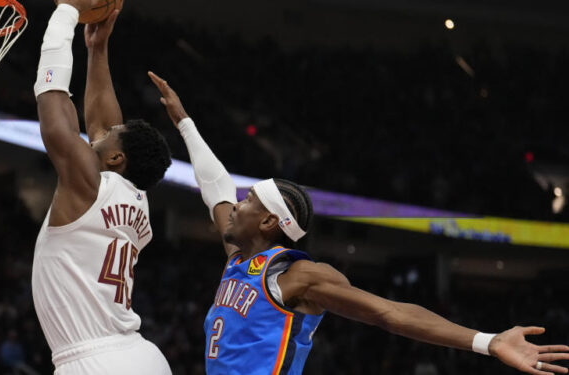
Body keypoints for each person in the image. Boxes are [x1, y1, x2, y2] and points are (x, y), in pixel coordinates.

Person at [148, 72, 569, 375]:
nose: (237, 204)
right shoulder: (240, 258)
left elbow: (389, 313)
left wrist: (487, 341)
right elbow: (215, 187)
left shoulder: (299, 276)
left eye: (250, 200)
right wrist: (183, 122)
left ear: (271, 221)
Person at [32, 1, 172, 374]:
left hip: (94, 360)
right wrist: (97, 49)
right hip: (139, 356)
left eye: (110, 137)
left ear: (115, 160)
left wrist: (65, 12)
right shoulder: (135, 200)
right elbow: (102, 125)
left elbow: (54, 106)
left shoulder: (91, 188)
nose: (100, 133)